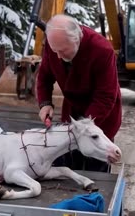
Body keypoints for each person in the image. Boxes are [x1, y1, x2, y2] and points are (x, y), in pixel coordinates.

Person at [36, 14, 122, 172]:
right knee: (68, 166)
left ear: (77, 39)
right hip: (72, 113)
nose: (58, 56)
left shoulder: (102, 50)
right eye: (55, 50)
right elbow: (44, 77)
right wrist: (45, 103)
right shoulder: (53, 45)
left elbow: (105, 97)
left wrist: (83, 129)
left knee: (95, 171)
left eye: (63, 51)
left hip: (101, 117)